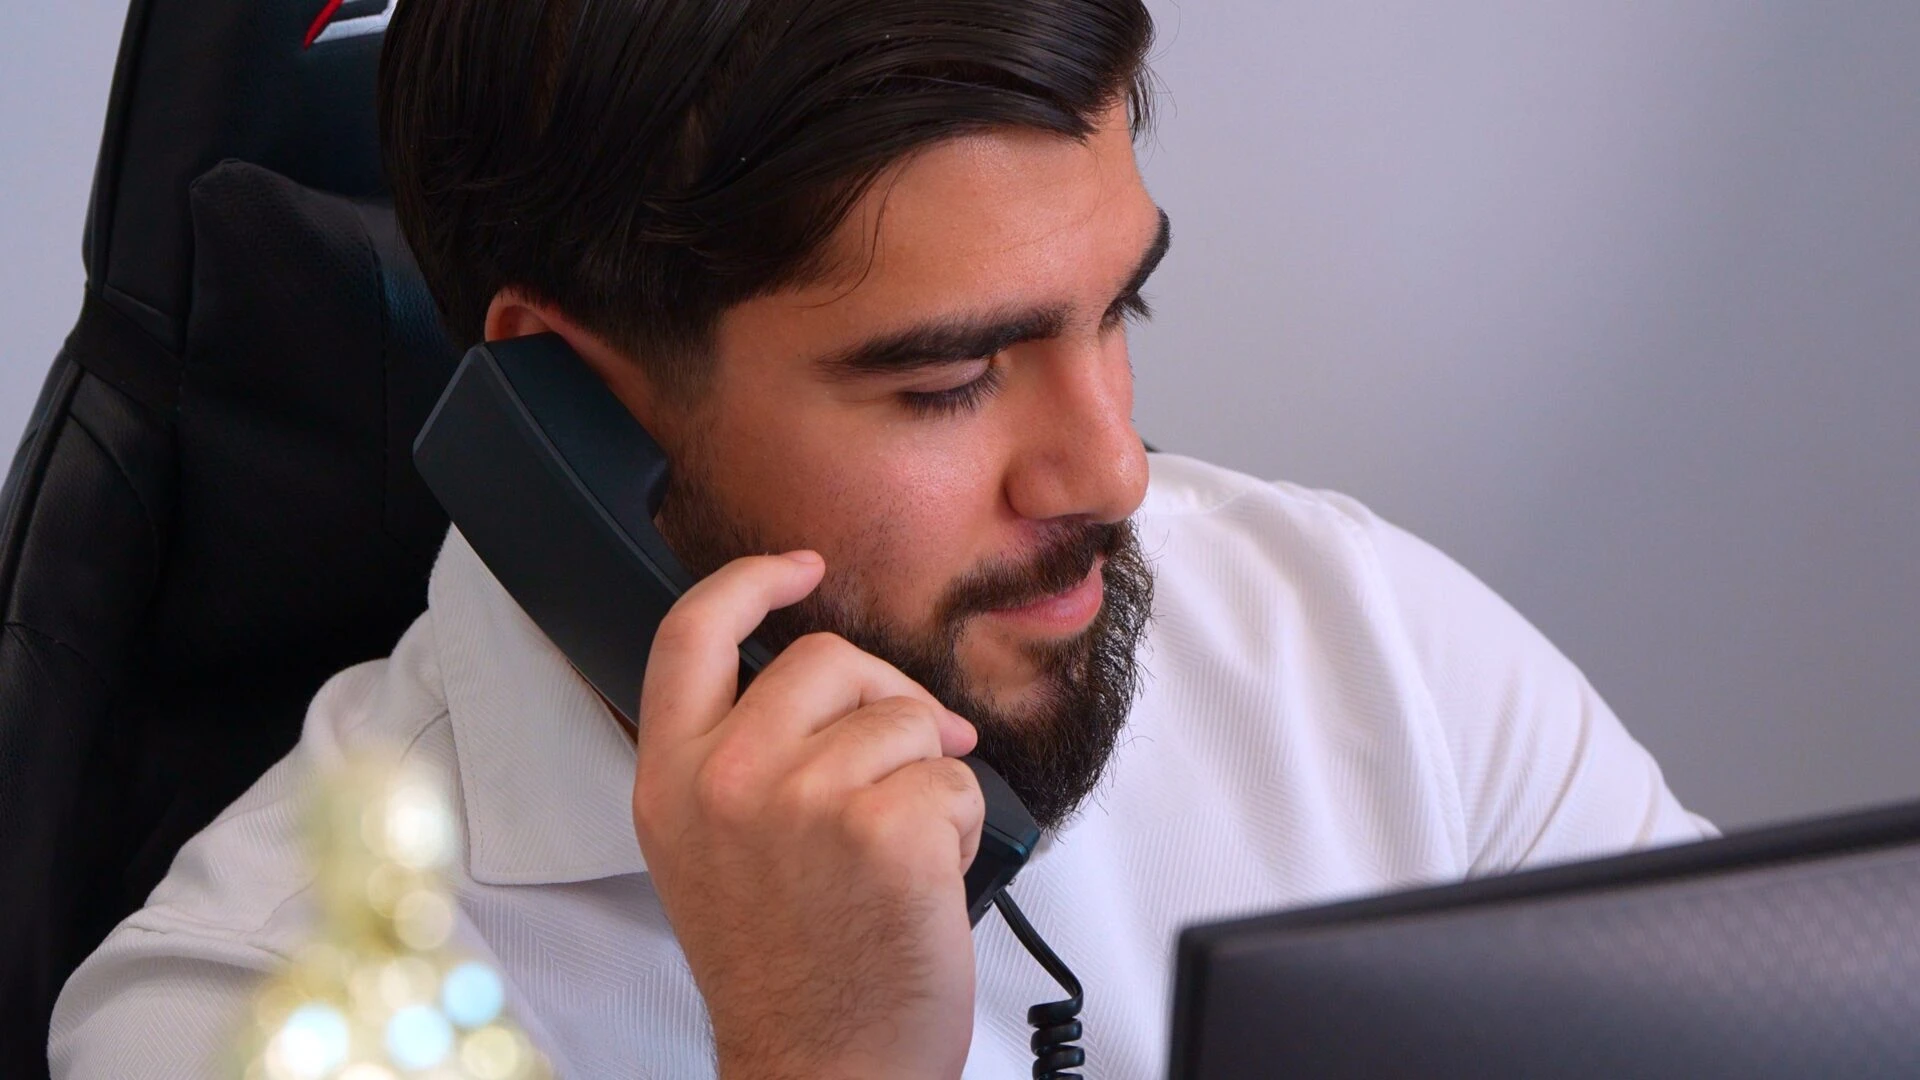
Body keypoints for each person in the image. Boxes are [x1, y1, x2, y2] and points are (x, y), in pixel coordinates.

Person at [50, 1, 1713, 1076]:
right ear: (577, 408)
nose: (1113, 470)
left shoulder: (1362, 641)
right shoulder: (253, 1017)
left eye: (1116, 306)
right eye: (949, 380)